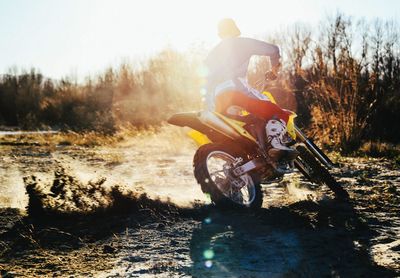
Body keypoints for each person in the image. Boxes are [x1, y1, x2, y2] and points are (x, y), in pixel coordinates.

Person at [204, 18, 297, 162]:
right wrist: (273, 69)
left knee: (246, 124)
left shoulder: (212, 54)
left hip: (217, 98)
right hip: (235, 90)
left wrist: (210, 106)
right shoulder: (241, 43)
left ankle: (252, 161)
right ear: (235, 30)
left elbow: (206, 80)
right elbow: (273, 50)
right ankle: (276, 145)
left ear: (220, 33)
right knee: (277, 112)